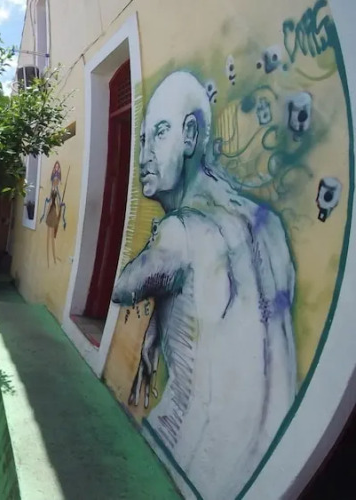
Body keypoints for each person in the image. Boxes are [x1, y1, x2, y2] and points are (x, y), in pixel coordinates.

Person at [111, 71, 296, 498]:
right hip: (264, 468)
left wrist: (157, 244)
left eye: (159, 134)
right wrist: (160, 319)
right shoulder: (268, 228)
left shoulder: (180, 231)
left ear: (191, 136)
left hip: (193, 458)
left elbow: (123, 288)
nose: (143, 155)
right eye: (142, 139)